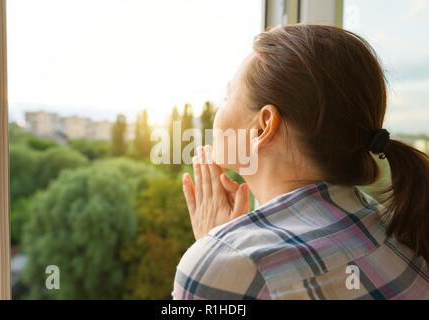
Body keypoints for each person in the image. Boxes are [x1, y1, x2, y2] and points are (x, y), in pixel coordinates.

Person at [172, 24, 429, 300]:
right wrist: (226, 246)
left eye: (227, 97)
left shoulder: (231, 266)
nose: (218, 111)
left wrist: (216, 254)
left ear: (263, 126)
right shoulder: (398, 229)